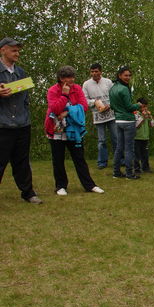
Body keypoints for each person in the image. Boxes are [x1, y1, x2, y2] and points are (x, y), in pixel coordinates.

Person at [44, 65, 104, 196]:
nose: (71, 80)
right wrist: (64, 95)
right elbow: (54, 108)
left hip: (74, 129)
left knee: (79, 158)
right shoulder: (53, 90)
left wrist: (67, 112)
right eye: (67, 77)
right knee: (58, 159)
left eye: (72, 77)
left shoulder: (77, 89)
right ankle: (60, 186)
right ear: (60, 78)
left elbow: (83, 106)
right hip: (56, 130)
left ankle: (90, 185)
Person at [0, 37, 42, 204]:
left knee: (22, 161)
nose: (17, 53)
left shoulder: (21, 73)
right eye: (14, 50)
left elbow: (25, 98)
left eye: (18, 51)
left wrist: (26, 116)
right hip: (2, 125)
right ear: (3, 50)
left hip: (22, 124)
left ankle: (28, 193)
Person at [82, 63, 117, 169]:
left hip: (111, 114)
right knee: (101, 140)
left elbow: (114, 95)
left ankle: (120, 159)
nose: (94, 73)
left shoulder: (108, 82)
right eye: (92, 71)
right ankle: (102, 162)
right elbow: (84, 99)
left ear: (101, 72)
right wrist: (94, 102)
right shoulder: (86, 84)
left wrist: (109, 105)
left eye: (96, 71)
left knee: (115, 137)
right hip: (98, 115)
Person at [109, 66, 141, 180]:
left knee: (119, 148)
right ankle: (129, 174)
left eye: (129, 75)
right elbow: (129, 107)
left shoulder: (112, 88)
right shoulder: (124, 89)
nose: (128, 77)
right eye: (126, 75)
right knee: (129, 149)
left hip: (118, 120)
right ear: (120, 75)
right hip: (128, 120)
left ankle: (116, 172)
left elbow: (112, 106)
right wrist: (138, 105)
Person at [134, 97, 154, 173]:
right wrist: (142, 117)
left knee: (145, 154)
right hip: (137, 137)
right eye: (143, 106)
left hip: (145, 137)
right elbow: (137, 125)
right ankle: (137, 169)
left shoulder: (146, 114)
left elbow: (152, 125)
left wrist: (150, 117)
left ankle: (146, 168)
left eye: (146, 106)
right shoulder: (136, 114)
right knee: (137, 155)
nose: (144, 108)